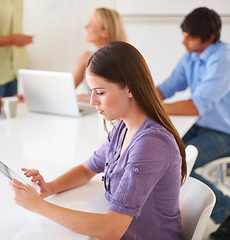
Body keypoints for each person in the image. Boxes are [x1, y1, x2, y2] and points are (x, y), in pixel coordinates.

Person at [10, 42, 186, 239]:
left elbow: (111, 229)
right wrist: (49, 187)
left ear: (130, 89)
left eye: (100, 92)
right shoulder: (123, 128)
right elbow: (86, 170)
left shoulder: (151, 145)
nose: (93, 101)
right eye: (92, 91)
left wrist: (38, 206)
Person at [156, 7, 230, 240]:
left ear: (208, 38)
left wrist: (153, 107)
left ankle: (226, 211)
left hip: (224, 131)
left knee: (180, 166)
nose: (183, 41)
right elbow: (167, 88)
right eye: (184, 34)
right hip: (201, 124)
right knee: (165, 158)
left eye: (189, 37)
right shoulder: (191, 56)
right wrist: (139, 96)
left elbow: (198, 104)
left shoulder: (223, 59)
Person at [74, 8, 127, 102]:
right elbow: (68, 89)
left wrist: (78, 97)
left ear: (105, 31)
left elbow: (115, 97)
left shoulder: (121, 60)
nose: (86, 27)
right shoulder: (86, 57)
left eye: (91, 24)